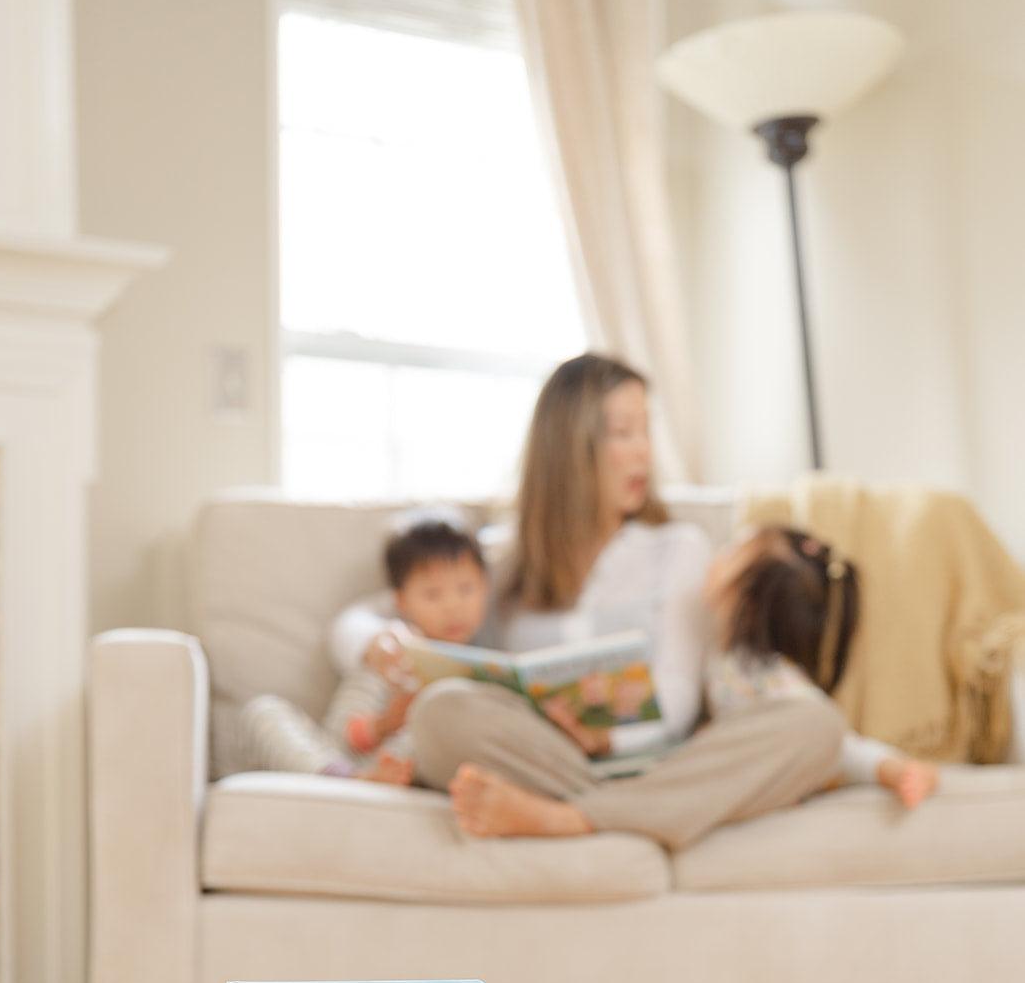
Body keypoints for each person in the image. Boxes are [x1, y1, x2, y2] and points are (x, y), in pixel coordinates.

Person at [345, 352, 845, 849]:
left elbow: (676, 701)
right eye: (625, 433)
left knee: (817, 726)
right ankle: (644, 816)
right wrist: (373, 642)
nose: (645, 452)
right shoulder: (505, 558)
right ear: (569, 446)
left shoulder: (678, 549)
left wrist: (608, 738)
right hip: (542, 760)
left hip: (654, 762)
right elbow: (360, 618)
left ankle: (569, 819)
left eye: (647, 432)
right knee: (440, 710)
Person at [703, 525, 940, 808]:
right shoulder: (728, 655)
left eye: (730, 550)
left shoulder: (765, 673)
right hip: (738, 768)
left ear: (748, 603)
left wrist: (893, 768)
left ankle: (902, 768)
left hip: (762, 773)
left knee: (821, 730)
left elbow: (839, 746)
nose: (717, 554)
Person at [323, 507, 489, 769]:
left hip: (432, 766)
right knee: (264, 714)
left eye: (466, 588)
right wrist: (384, 724)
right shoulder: (391, 653)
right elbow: (337, 735)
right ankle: (344, 777)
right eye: (433, 594)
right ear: (401, 601)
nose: (453, 606)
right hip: (358, 763)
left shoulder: (487, 662)